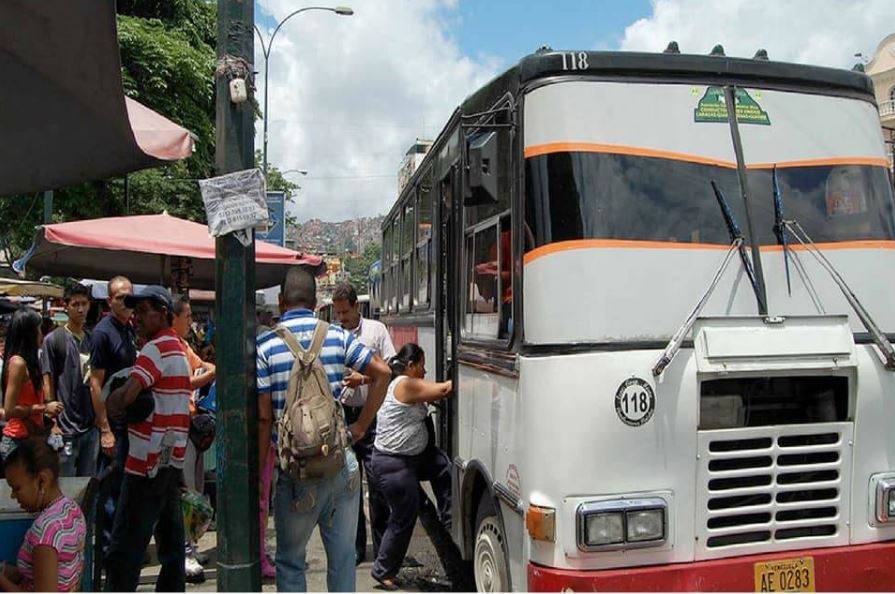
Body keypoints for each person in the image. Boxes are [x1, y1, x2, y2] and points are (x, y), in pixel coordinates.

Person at [257, 267, 391, 592]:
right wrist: (360, 425)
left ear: (280, 300)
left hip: (295, 471)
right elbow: (383, 372)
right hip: (339, 463)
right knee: (343, 558)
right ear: (316, 302)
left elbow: (263, 419)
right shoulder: (337, 336)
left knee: (290, 560)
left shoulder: (265, 346)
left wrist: (260, 469)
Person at [103, 285, 191, 591]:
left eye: (143, 312)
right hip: (168, 460)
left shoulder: (154, 349)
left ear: (163, 314)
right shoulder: (177, 347)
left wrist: (111, 402)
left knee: (125, 545)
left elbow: (127, 395)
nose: (136, 318)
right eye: (135, 312)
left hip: (146, 463)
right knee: (171, 544)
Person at [370, 343, 452, 591]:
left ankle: (449, 518)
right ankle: (382, 571)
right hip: (394, 465)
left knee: (442, 466)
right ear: (410, 365)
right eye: (422, 366)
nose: (425, 371)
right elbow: (444, 389)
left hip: (410, 458)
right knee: (404, 516)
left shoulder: (401, 381)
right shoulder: (405, 384)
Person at [332, 282, 396, 564]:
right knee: (349, 486)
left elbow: (392, 369)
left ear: (357, 307)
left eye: (345, 313)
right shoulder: (334, 335)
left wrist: (364, 379)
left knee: (377, 485)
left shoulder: (376, 331)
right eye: (338, 314)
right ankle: (356, 548)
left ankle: (382, 550)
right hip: (343, 414)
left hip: (371, 416)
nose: (342, 319)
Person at [0, 437, 87, 592]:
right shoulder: (72, 510)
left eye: (17, 488)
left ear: (42, 480)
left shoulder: (45, 533)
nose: (13, 496)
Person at [88, 276, 136, 556]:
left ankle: (119, 547)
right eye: (120, 297)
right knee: (110, 491)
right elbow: (95, 383)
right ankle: (107, 551)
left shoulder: (128, 328)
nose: (126, 302)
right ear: (109, 301)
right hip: (113, 427)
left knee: (124, 490)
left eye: (129, 296)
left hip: (129, 423)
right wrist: (105, 428)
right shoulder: (102, 333)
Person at [171, 294, 215, 582]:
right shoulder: (171, 347)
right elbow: (186, 381)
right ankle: (185, 551)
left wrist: (207, 373)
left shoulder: (185, 345)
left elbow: (205, 367)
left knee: (195, 490)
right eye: (187, 317)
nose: (191, 322)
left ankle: (192, 546)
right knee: (186, 492)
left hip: (192, 428)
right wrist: (206, 375)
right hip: (177, 429)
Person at [41, 282, 97, 477]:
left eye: (84, 303)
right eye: (75, 304)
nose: (81, 309)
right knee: (64, 482)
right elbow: (47, 378)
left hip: (90, 426)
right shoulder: (54, 340)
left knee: (87, 483)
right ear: (66, 306)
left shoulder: (92, 339)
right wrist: (53, 422)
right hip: (64, 429)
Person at [2, 309, 62, 460]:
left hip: (31, 437)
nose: (41, 334)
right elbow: (9, 410)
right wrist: (44, 408)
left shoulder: (30, 362)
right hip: (17, 440)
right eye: (39, 329)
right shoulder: (18, 363)